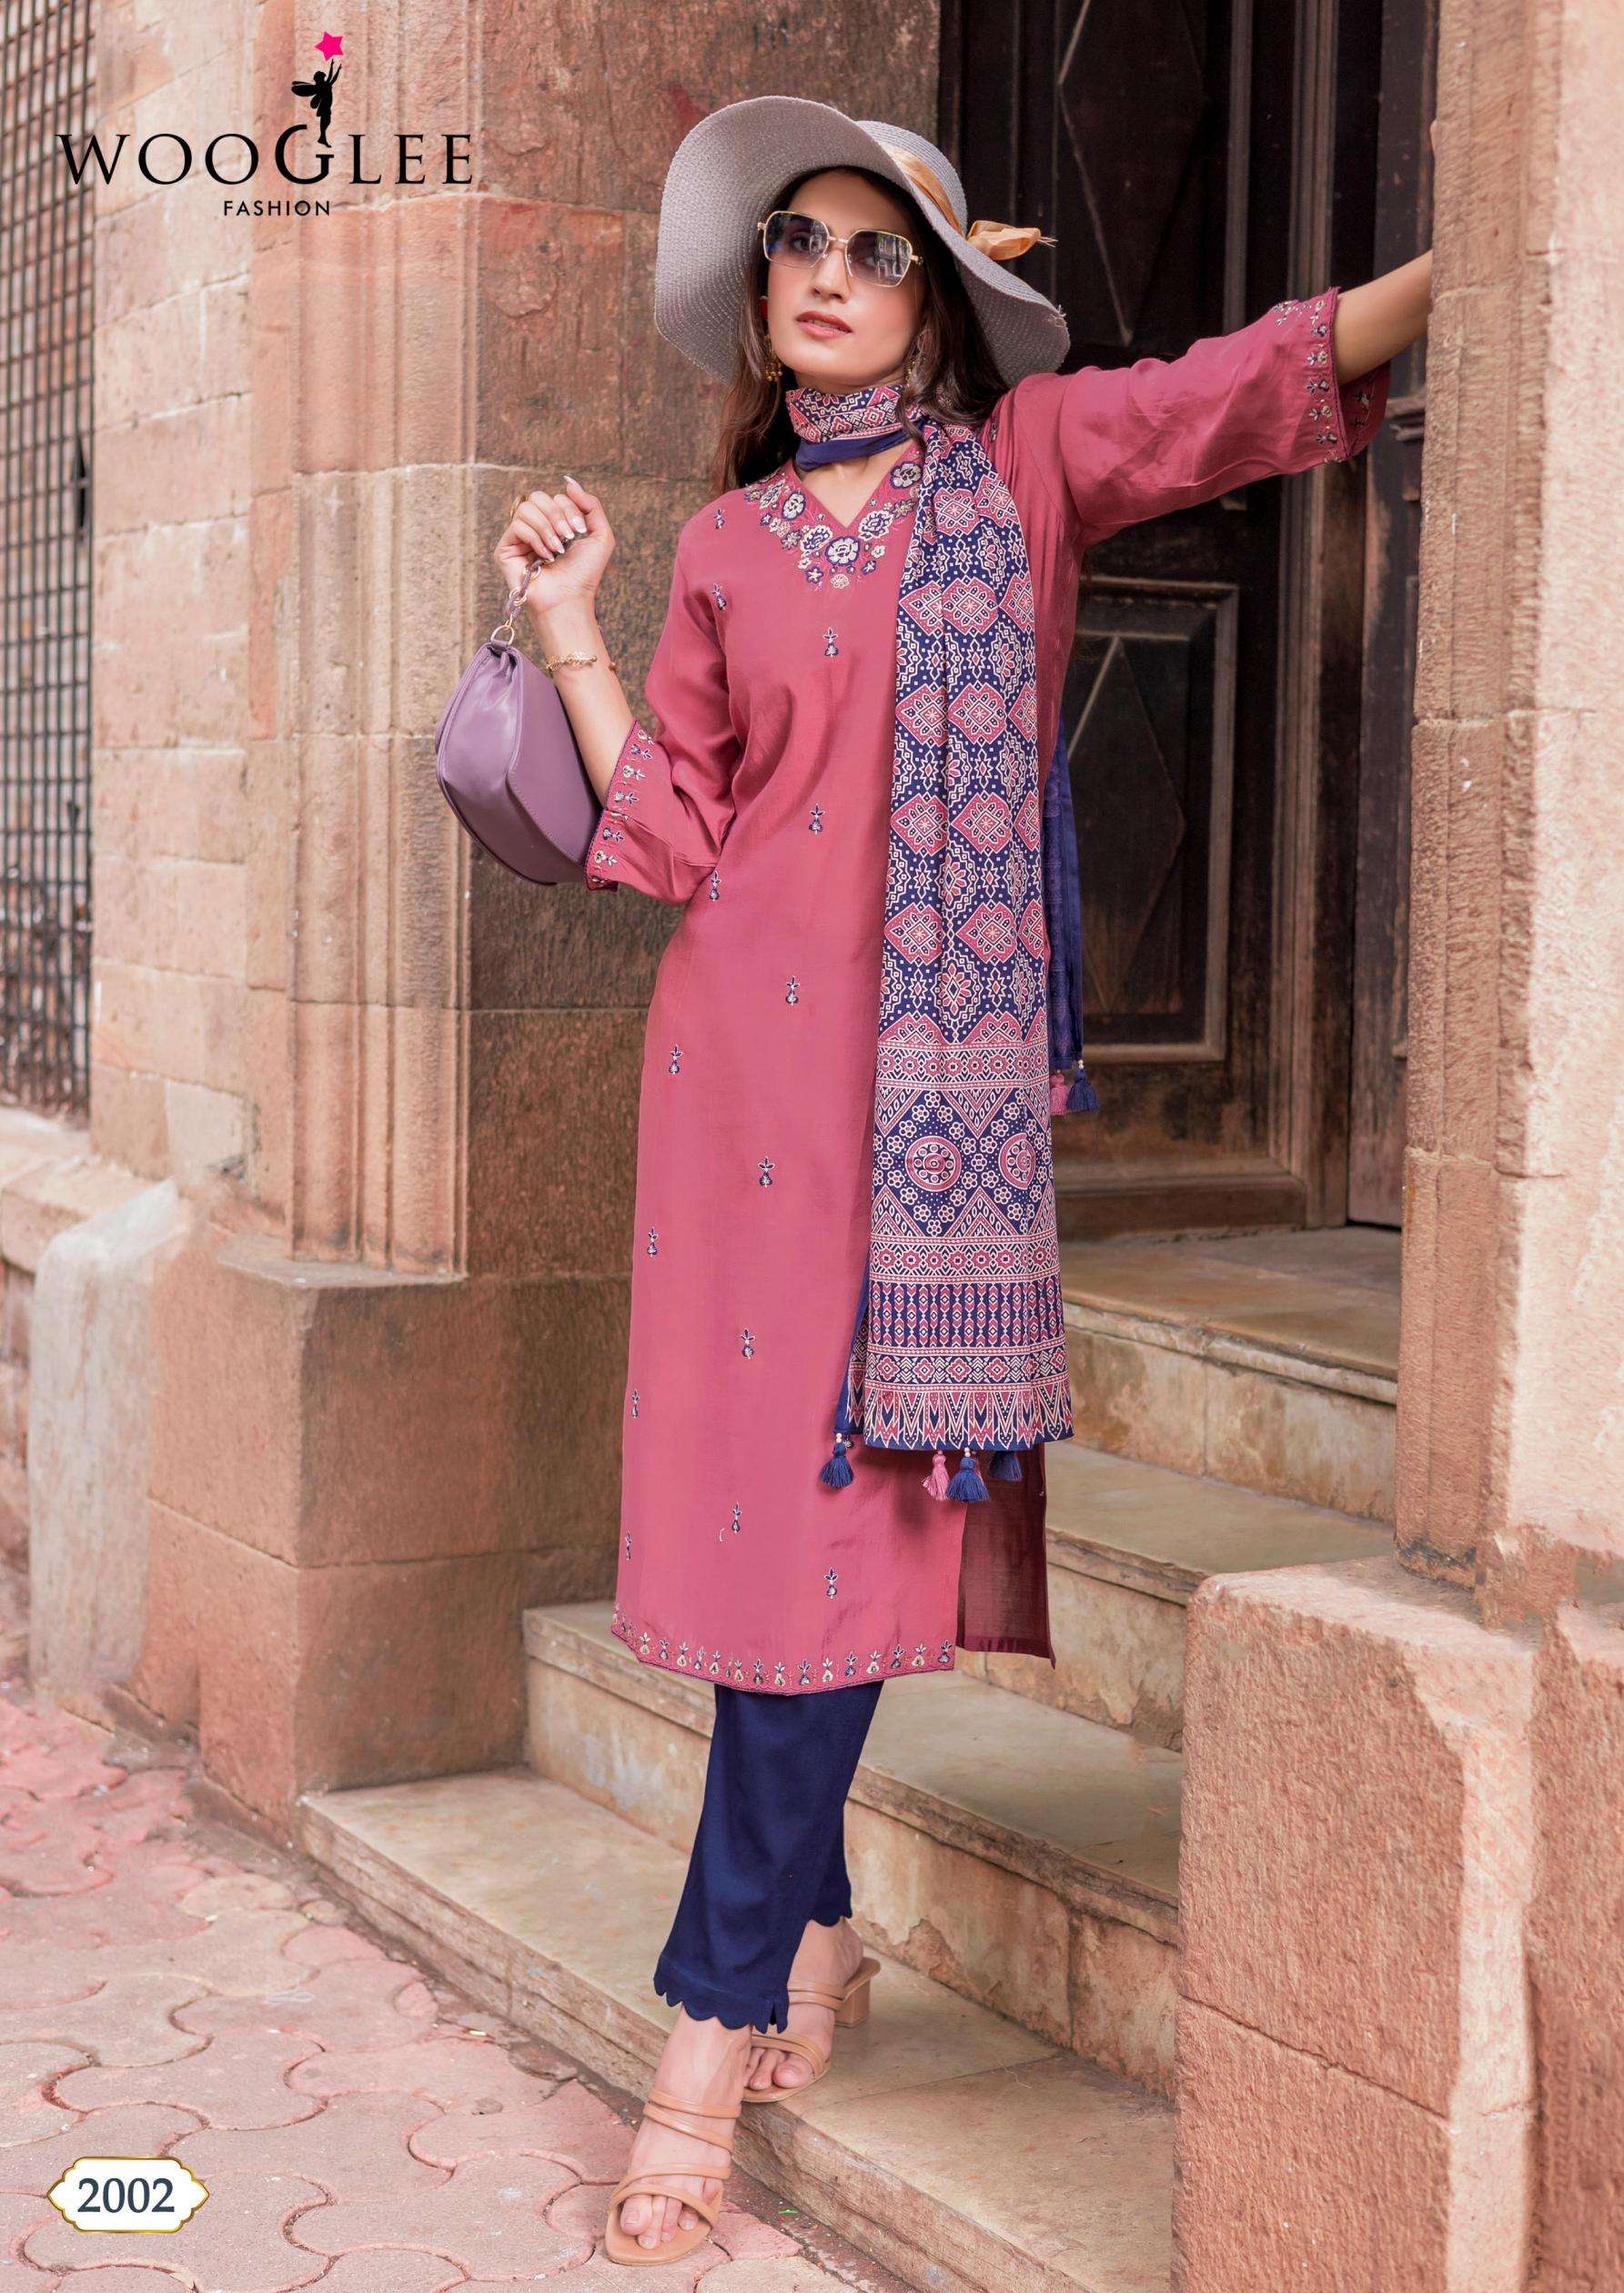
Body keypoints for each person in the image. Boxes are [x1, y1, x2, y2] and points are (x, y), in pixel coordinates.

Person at [491, 96, 1432, 2265]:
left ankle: (703, 2031)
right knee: (768, 1562)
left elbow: (1253, 385)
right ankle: (809, 1923)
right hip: (731, 1100)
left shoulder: (1022, 470)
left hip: (919, 1133)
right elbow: (667, 839)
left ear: (933, 302)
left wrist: (1466, 260)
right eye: (797, 244)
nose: (824, 275)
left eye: (874, 247)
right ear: (760, 291)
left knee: (818, 1563)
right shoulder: (723, 547)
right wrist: (567, 623)